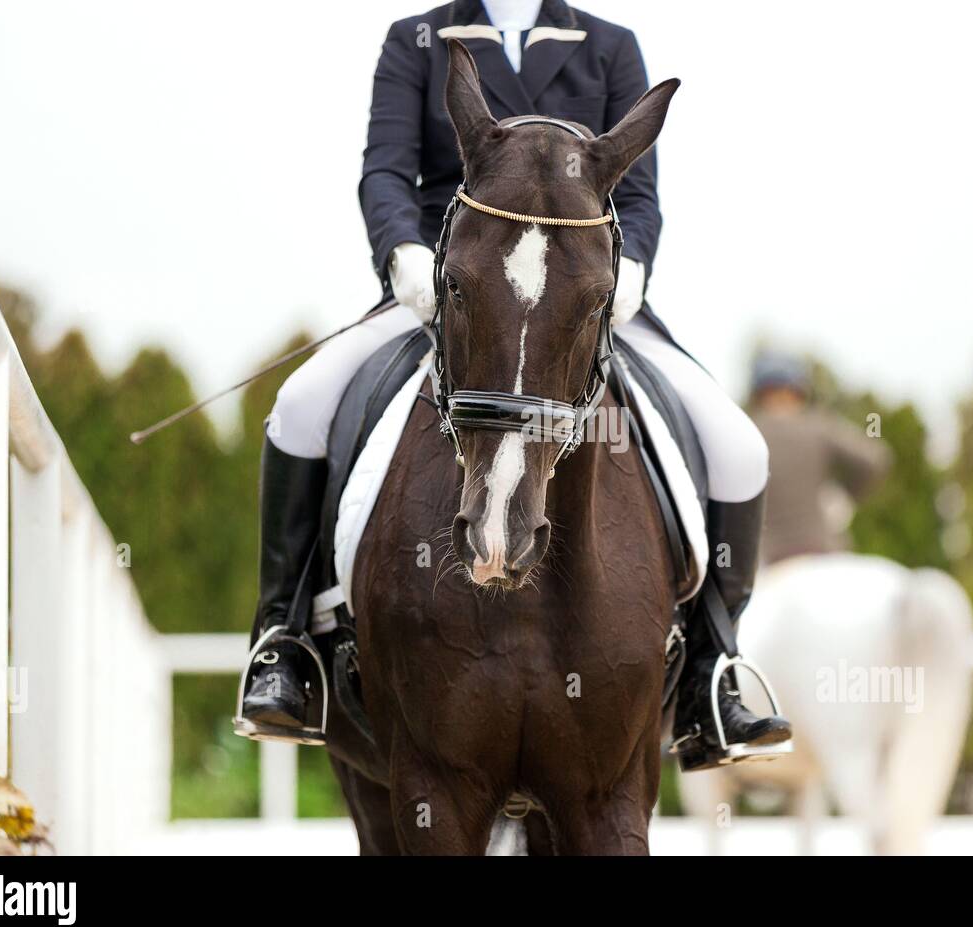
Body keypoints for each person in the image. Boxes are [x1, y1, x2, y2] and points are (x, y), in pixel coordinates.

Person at [237, 0, 791, 770]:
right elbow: (387, 169)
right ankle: (283, 642)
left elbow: (639, 199)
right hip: (454, 292)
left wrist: (629, 271)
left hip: (581, 303)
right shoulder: (418, 40)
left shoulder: (608, 46)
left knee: (740, 448)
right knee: (298, 406)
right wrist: (404, 254)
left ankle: (713, 672)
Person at [748, 352, 892, 564]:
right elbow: (876, 457)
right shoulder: (819, 426)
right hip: (825, 553)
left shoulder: (747, 432)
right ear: (798, 391)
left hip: (768, 561)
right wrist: (844, 497)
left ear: (760, 392)